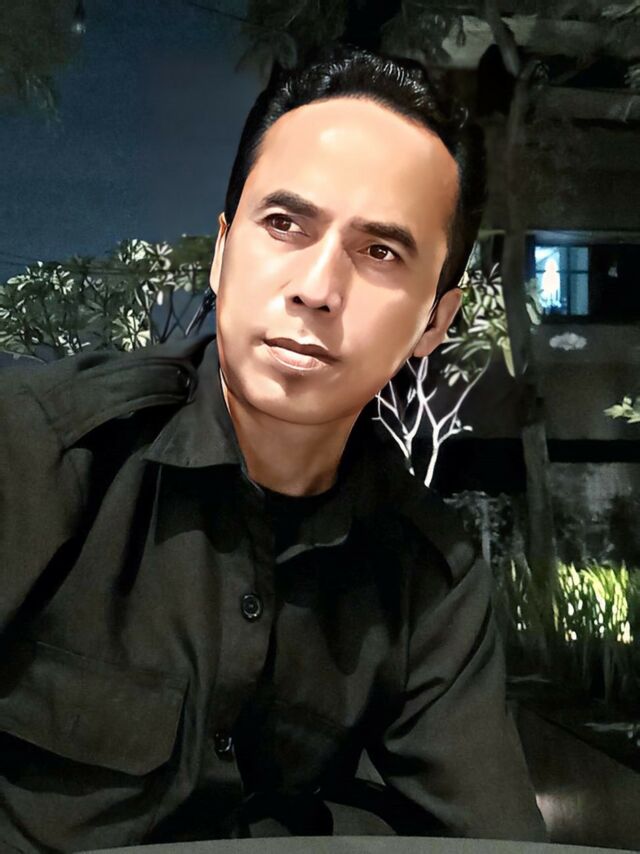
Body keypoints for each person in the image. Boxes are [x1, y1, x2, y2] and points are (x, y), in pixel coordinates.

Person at [0, 44, 547, 852]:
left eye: (380, 252)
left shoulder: (428, 573)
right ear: (224, 253)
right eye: (285, 225)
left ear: (435, 321)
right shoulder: (39, 451)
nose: (317, 288)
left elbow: (485, 837)